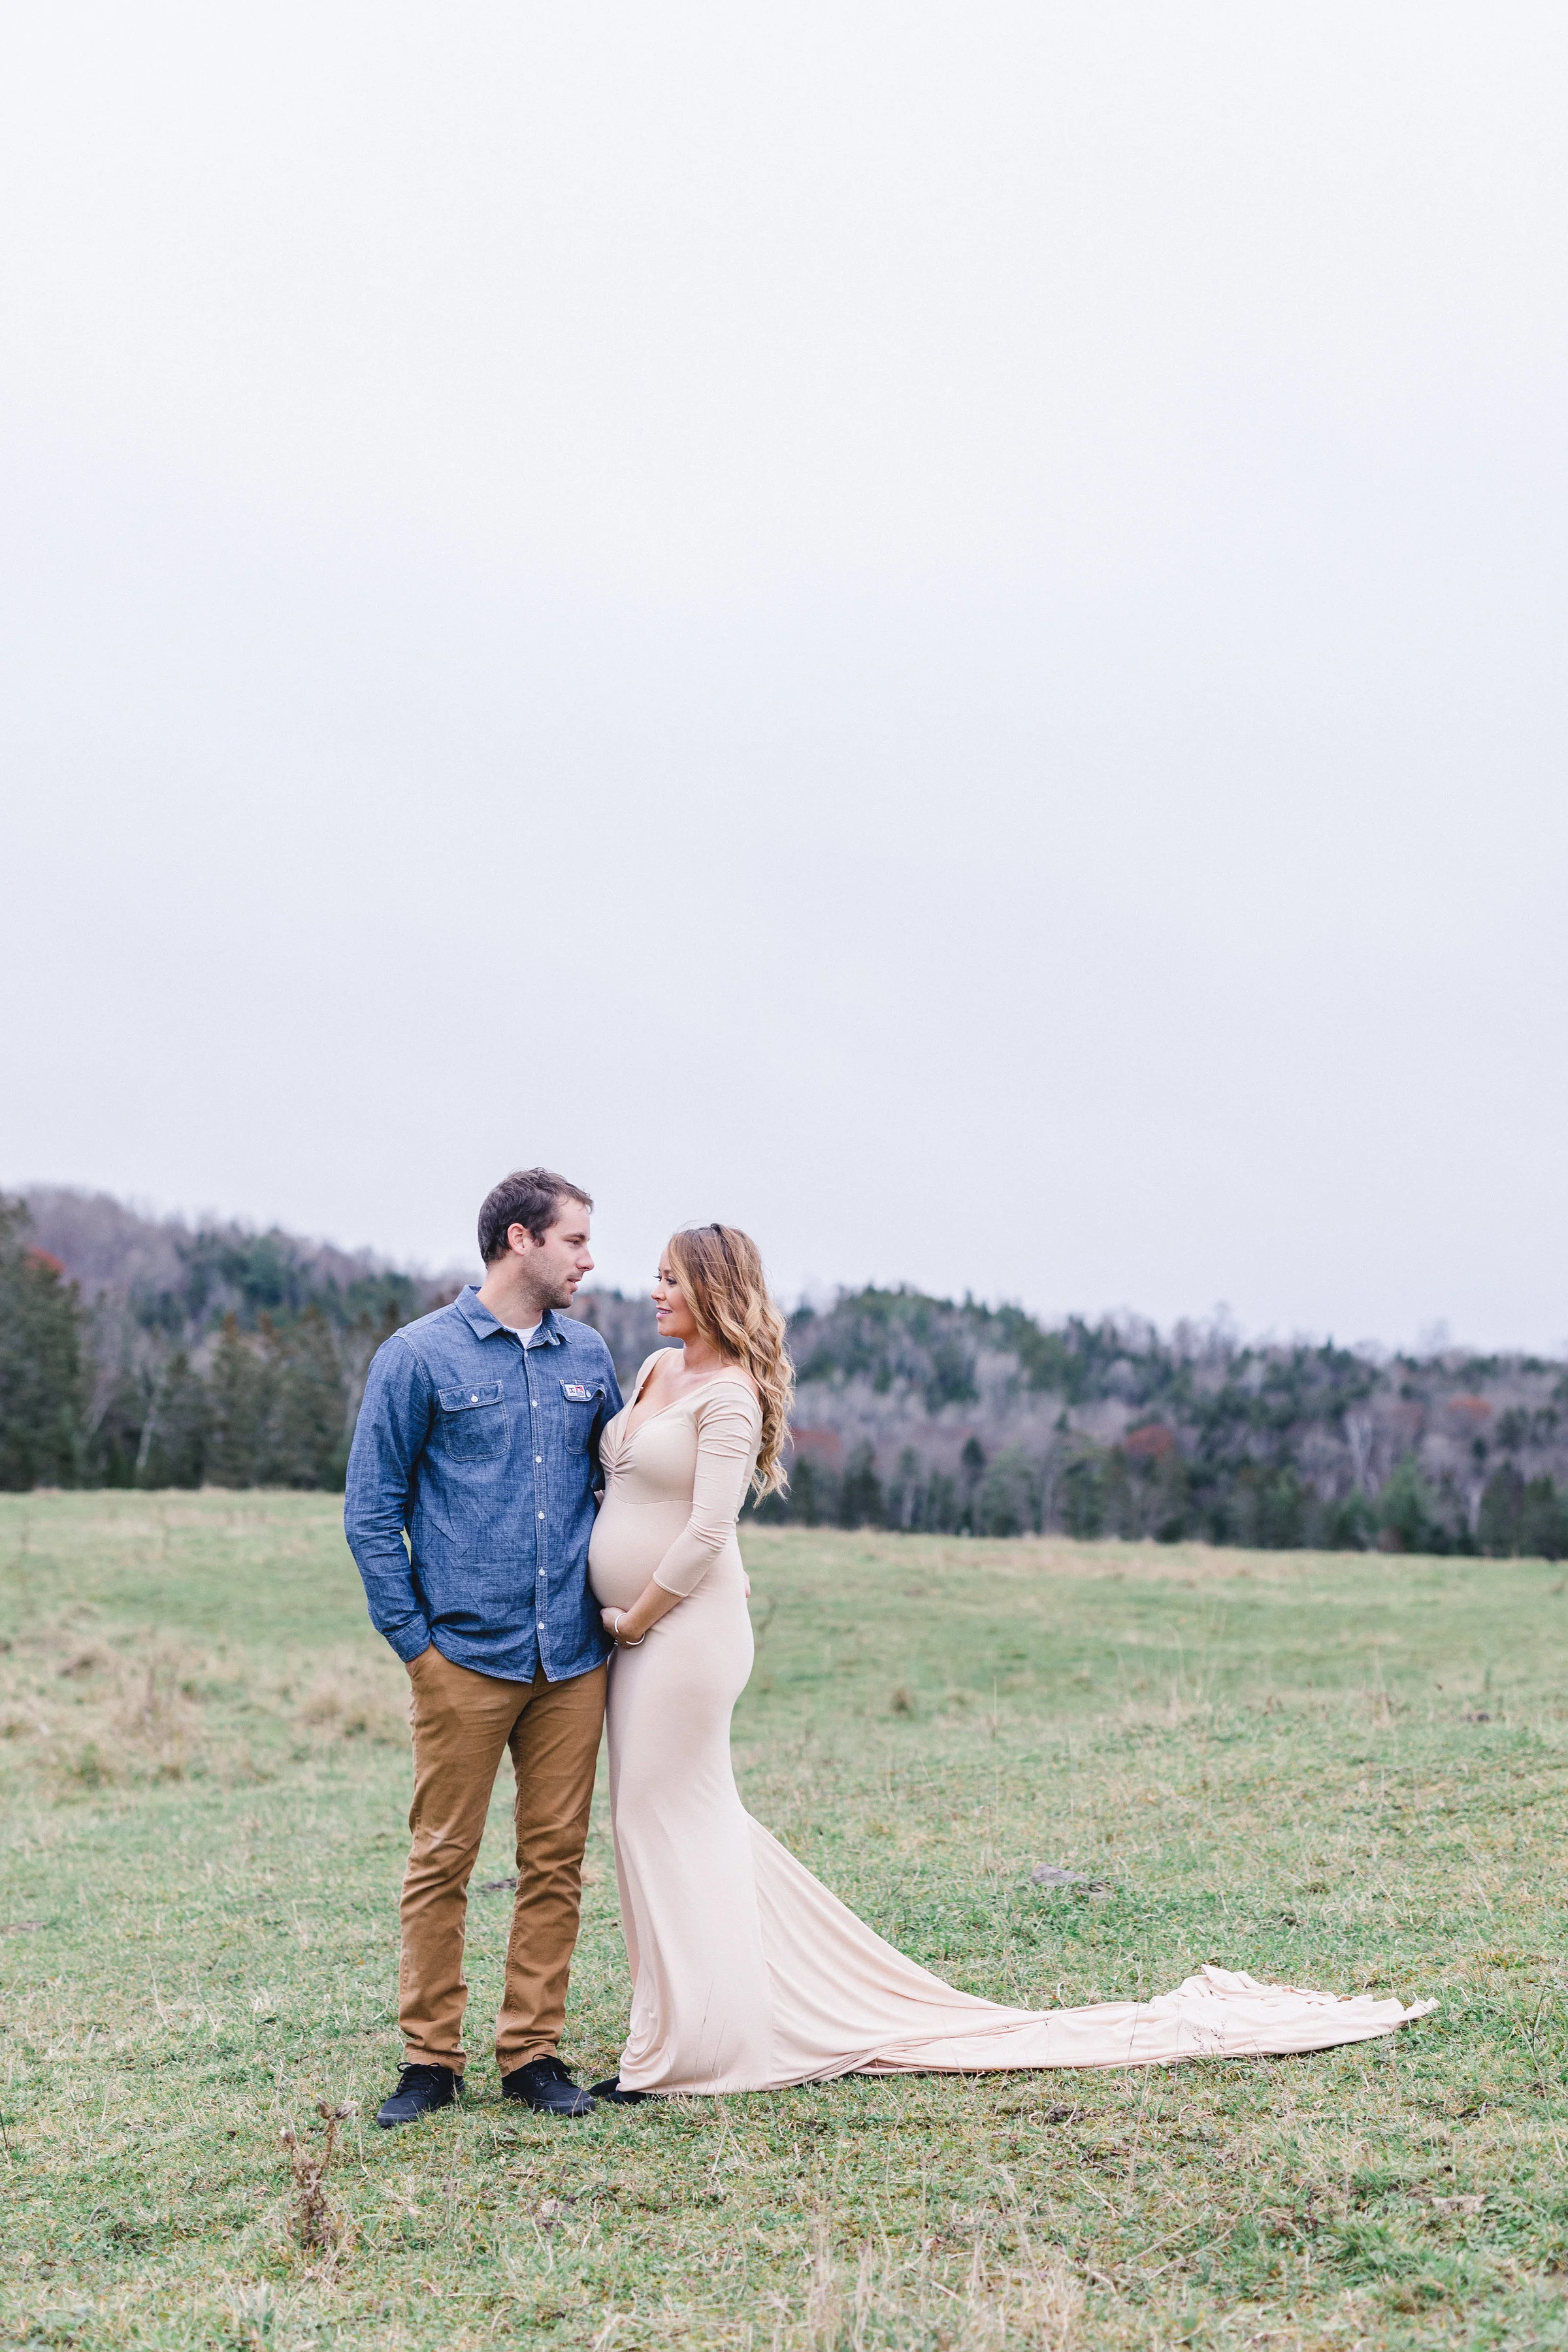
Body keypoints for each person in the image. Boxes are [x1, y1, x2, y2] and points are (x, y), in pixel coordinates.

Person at [586, 1224, 1431, 2099]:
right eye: (655, 1277)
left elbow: (709, 1530)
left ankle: (700, 2047)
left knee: (666, 1816)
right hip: (642, 1631)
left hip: (678, 1634)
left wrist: (634, 1617)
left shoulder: (728, 1394)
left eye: (672, 1280)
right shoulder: (655, 1371)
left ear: (717, 1290)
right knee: (655, 1821)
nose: (656, 1292)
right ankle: (687, 2022)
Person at [344, 1168, 621, 2126]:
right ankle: (430, 2061)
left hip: (575, 1662)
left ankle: (533, 2053)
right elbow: (372, 1512)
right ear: (519, 1240)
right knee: (442, 1859)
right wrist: (415, 1647)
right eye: (575, 1241)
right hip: (460, 1659)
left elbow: (621, 1486)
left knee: (555, 1862)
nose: (590, 1259)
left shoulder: (589, 1354)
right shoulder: (417, 1357)